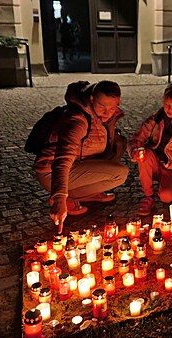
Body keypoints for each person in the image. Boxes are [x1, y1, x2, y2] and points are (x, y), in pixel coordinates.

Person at [33, 80, 129, 233]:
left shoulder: (100, 115)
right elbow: (62, 159)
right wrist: (59, 196)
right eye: (102, 106)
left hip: (78, 164)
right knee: (120, 173)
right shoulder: (77, 120)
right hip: (51, 173)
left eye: (112, 107)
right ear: (91, 99)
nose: (107, 112)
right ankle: (67, 198)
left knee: (116, 151)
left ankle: (86, 194)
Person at [128, 83, 172, 216]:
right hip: (154, 163)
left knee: (166, 197)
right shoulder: (156, 119)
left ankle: (165, 188)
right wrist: (135, 150)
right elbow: (136, 138)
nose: (169, 109)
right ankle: (149, 197)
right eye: (167, 105)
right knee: (145, 154)